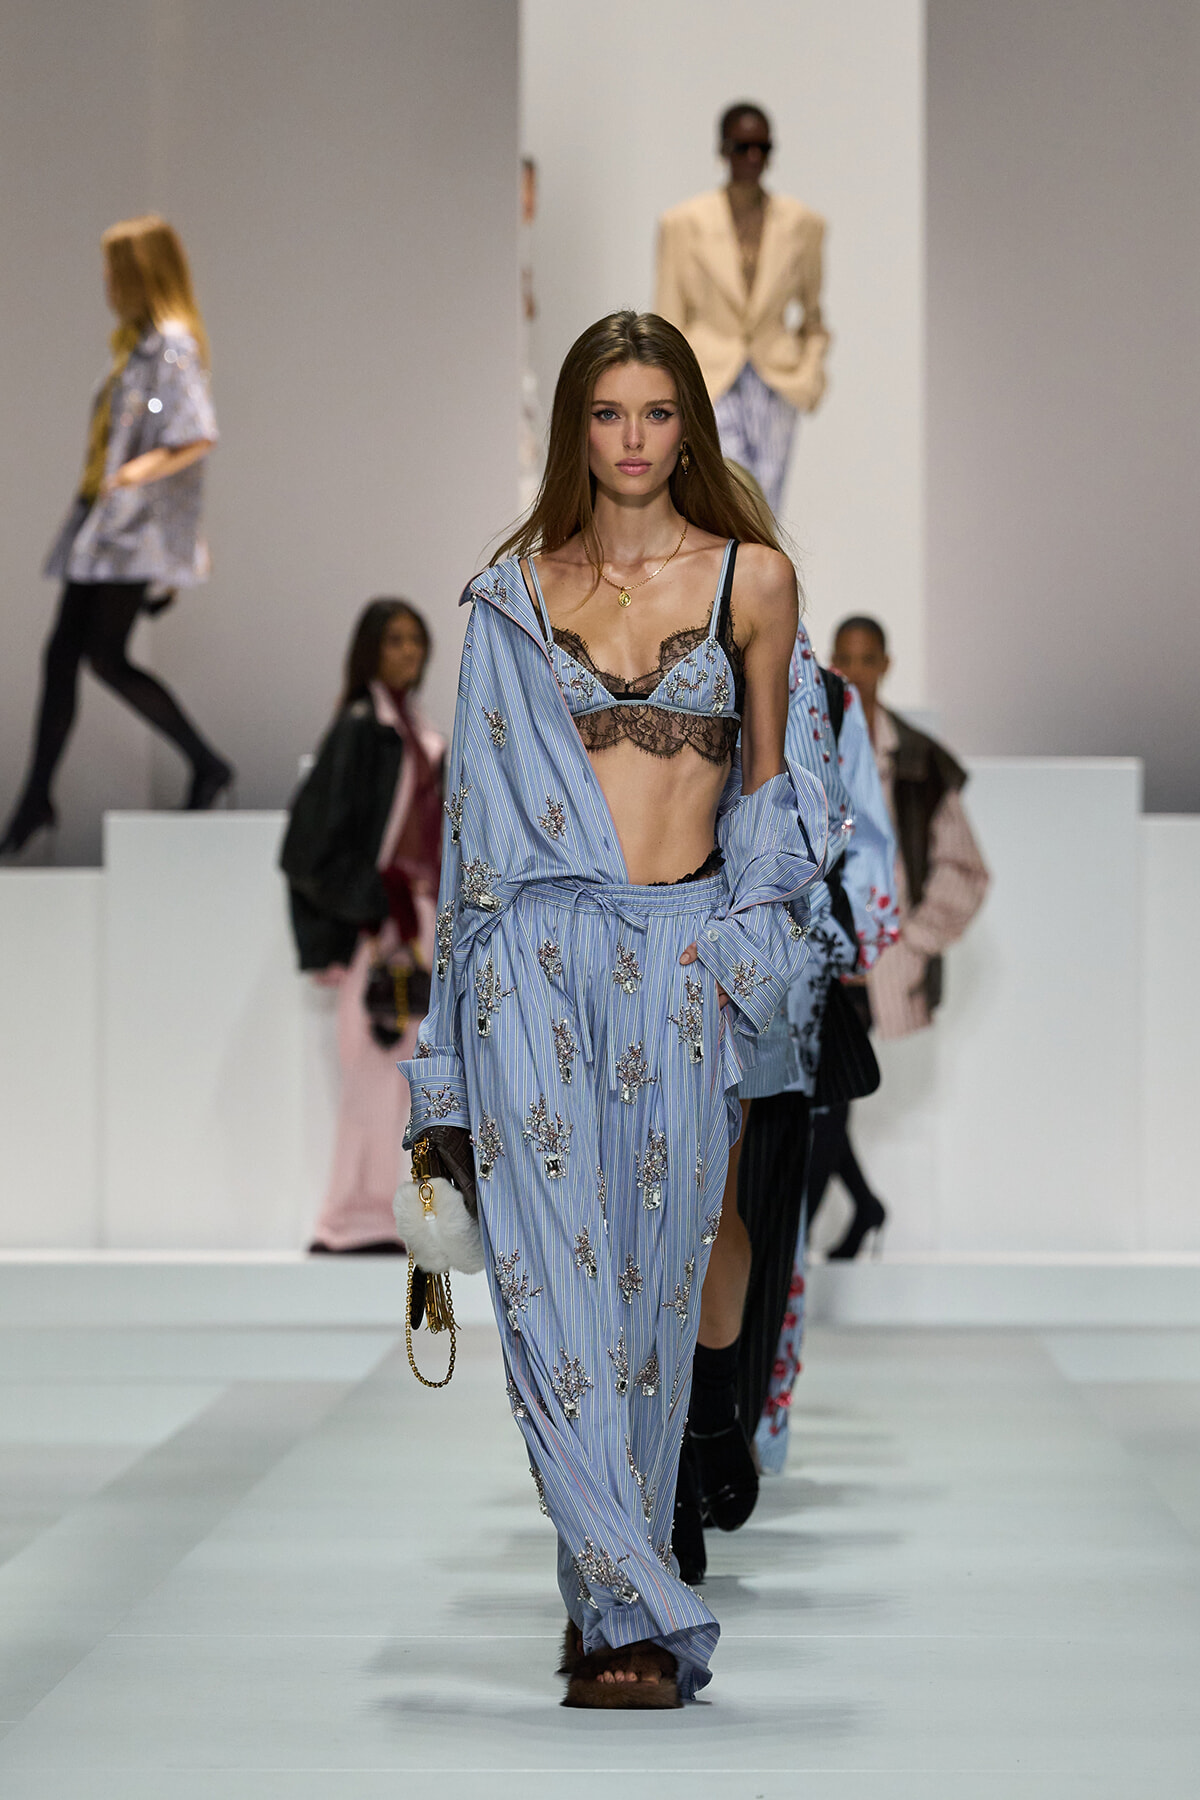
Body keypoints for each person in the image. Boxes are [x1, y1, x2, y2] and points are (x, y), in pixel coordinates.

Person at [399, 311, 825, 1708]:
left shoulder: (751, 581)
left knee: (645, 1298)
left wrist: (764, 985)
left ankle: (613, 1587)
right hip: (530, 964)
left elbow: (771, 796)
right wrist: (441, 1081)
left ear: (690, 425)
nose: (633, 441)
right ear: (572, 427)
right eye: (606, 414)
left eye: (656, 413)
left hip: (683, 961)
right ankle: (626, 1620)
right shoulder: (512, 594)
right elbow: (470, 844)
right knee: (548, 1289)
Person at [1, 215, 231, 859]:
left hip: (131, 533)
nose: (104, 280)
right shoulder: (141, 345)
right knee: (72, 656)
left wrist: (136, 473)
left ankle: (200, 764)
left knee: (92, 656)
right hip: (110, 529)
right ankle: (38, 795)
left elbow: (196, 431)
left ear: (138, 273)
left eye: (113, 268)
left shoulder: (171, 346)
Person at [806, 613, 990, 1255]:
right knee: (824, 1092)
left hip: (875, 961)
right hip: (816, 951)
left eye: (867, 659)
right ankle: (861, 1209)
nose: (855, 672)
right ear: (831, 663)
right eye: (844, 659)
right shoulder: (809, 736)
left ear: (886, 664)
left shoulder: (919, 760)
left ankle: (808, 1237)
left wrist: (910, 943)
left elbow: (965, 868)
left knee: (826, 1093)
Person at [281, 600, 443, 1254]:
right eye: (395, 639)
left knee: (400, 1067)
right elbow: (309, 845)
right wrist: (372, 910)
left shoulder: (405, 727)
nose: (408, 651)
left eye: (416, 639)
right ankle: (350, 1217)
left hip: (415, 918)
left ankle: (376, 1211)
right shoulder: (361, 729)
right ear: (370, 648)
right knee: (376, 1064)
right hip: (385, 926)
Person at [655, 101, 830, 515]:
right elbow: (668, 316)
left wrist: (810, 373)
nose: (753, 158)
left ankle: (760, 580)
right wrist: (665, 390)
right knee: (725, 490)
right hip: (708, 374)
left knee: (769, 497)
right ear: (723, 150)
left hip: (777, 377)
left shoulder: (803, 225)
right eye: (741, 147)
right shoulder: (682, 223)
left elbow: (813, 315)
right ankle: (729, 579)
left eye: (762, 148)